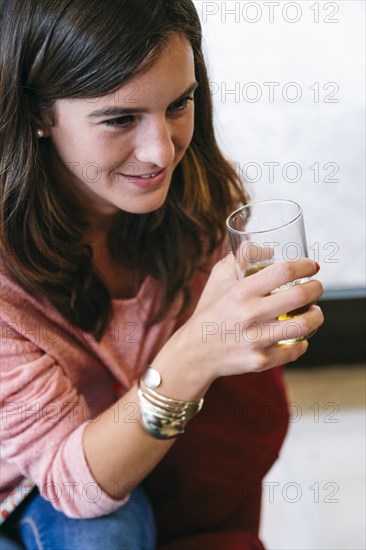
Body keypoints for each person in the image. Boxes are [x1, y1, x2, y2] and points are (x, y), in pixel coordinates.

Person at [0, 0, 324, 548]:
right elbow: (72, 488)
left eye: (180, 103)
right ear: (36, 114)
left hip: (117, 443)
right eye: (120, 118)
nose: (161, 151)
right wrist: (192, 354)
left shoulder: (194, 201)